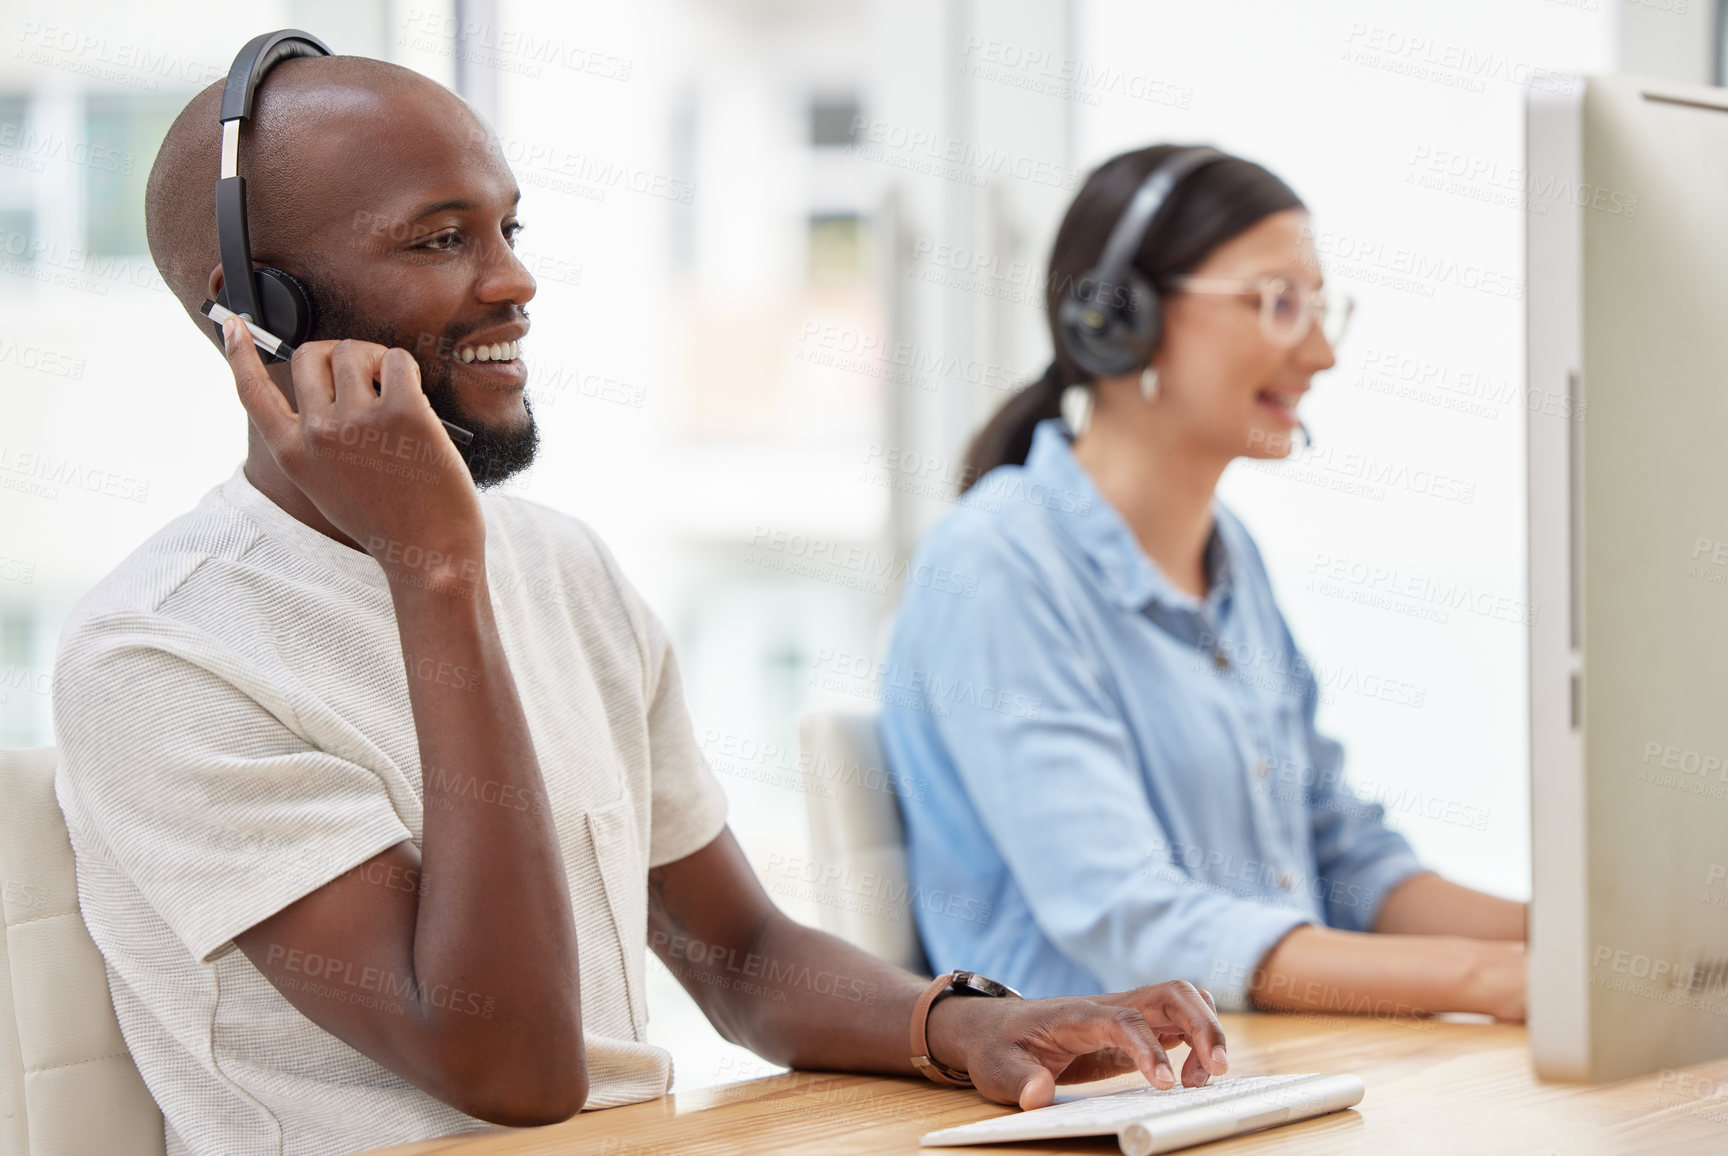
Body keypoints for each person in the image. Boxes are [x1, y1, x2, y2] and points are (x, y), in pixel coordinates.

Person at [49, 50, 1228, 1156]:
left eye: (507, 227)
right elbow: (507, 1069)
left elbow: (742, 953)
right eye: (440, 238)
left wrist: (959, 1021)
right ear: (256, 310)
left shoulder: (562, 567)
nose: (514, 280)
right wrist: (436, 577)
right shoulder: (161, 655)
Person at [878, 144, 1527, 1026]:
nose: (1323, 352)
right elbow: (1136, 923)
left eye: (1322, 308)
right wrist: (1487, 983)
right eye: (1278, 304)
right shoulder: (997, 564)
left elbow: (1347, 862)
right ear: (1119, 317)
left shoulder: (1232, 560)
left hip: (1267, 1070)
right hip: (1095, 1106)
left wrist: (1581, 945)